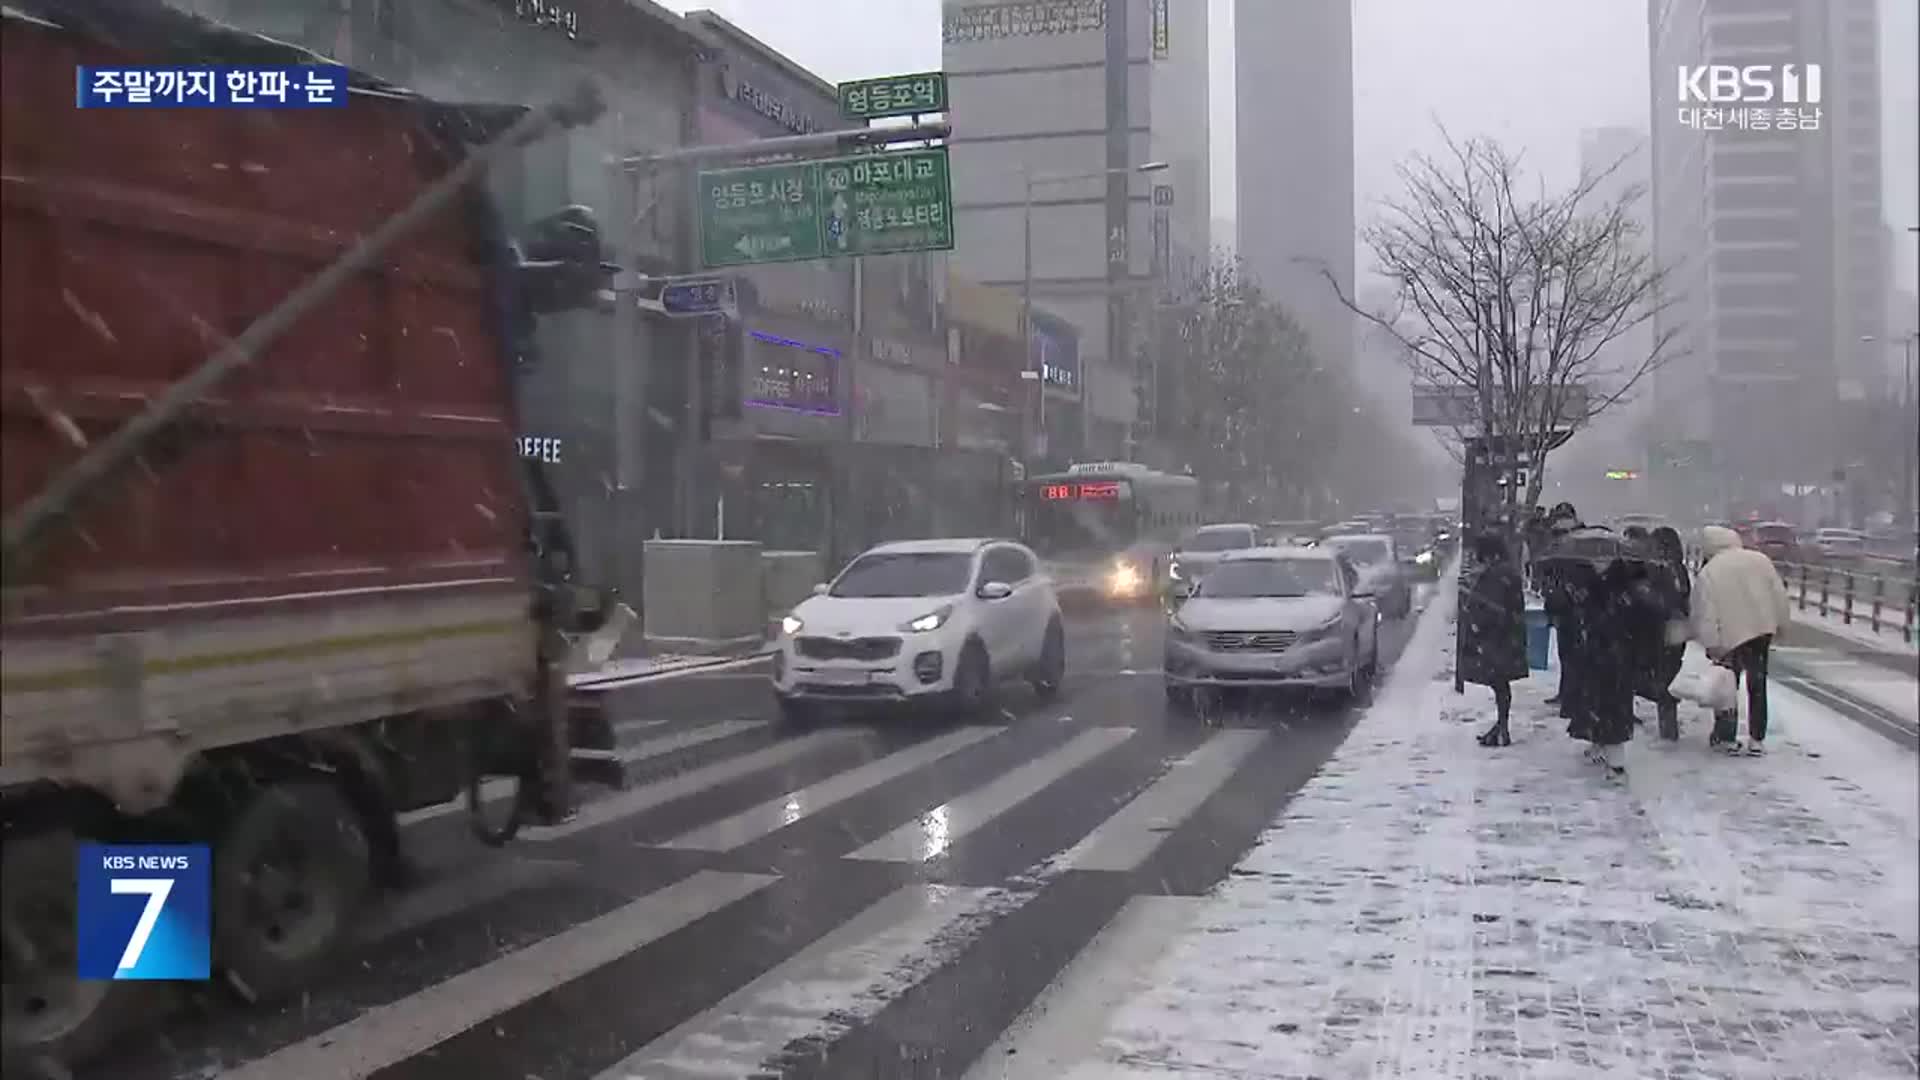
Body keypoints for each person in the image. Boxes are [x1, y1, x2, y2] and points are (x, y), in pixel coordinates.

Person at [1692, 524, 1792, 755]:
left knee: (1726, 687)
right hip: (1760, 632)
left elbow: (1705, 612)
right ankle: (1756, 739)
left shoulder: (1710, 571)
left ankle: (1726, 735)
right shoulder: (1760, 560)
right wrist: (1782, 624)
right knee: (1757, 685)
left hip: (1729, 636)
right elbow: (1779, 595)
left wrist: (1711, 643)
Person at [1461, 532, 1529, 747]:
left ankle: (1502, 728)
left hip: (1498, 636)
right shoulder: (1504, 571)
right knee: (1500, 683)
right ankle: (1501, 727)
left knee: (1499, 682)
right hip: (1506, 635)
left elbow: (1493, 605)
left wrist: (1473, 601)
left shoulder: (1498, 574)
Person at [1640, 526, 1692, 740]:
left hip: (1660, 627)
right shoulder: (1679, 568)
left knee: (1661, 674)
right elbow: (1684, 596)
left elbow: (1660, 598)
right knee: (1669, 672)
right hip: (1676, 628)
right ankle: (1668, 722)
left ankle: (1667, 716)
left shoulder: (1657, 568)